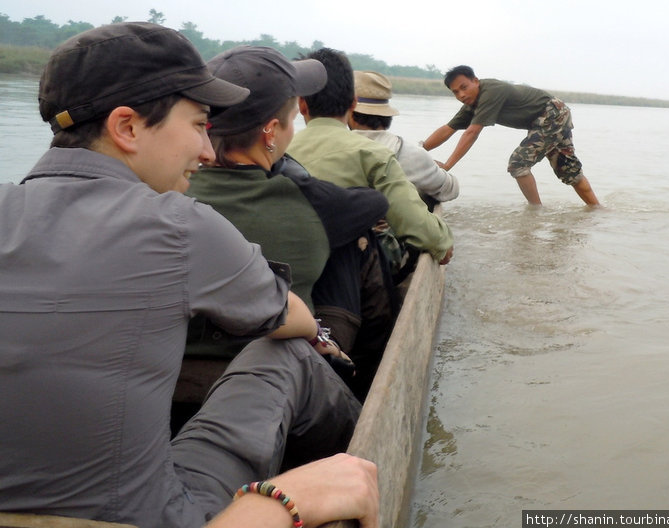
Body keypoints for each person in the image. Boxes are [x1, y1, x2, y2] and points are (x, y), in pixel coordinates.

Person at [0, 22, 378, 528]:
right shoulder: (178, 224)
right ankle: (359, 465)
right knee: (288, 352)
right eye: (199, 125)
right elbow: (292, 317)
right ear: (127, 127)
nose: (206, 150)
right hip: (162, 516)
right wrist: (321, 341)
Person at [181, 45, 390, 402]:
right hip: (275, 372)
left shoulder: (167, 190)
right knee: (356, 241)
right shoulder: (305, 197)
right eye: (292, 119)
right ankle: (365, 377)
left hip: (178, 369)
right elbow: (375, 203)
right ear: (271, 131)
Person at [287, 48, 455, 266]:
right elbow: (415, 224)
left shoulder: (279, 152)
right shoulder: (374, 154)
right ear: (353, 103)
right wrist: (442, 243)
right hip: (351, 271)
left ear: (301, 105)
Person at [422, 65, 600, 206]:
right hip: (550, 117)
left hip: (552, 113)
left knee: (518, 164)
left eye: (464, 87)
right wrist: (419, 149)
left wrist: (447, 165)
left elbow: (472, 132)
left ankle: (535, 212)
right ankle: (598, 210)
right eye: (455, 92)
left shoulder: (490, 92)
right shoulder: (471, 104)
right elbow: (448, 129)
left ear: (475, 81)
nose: (461, 94)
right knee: (569, 171)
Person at [349, 70, 460, 209]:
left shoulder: (330, 146)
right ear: (386, 114)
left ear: (348, 111)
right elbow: (452, 189)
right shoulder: (410, 153)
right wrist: (432, 166)